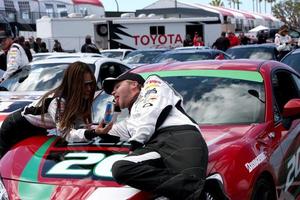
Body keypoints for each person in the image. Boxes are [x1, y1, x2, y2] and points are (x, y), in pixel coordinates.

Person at [101, 73, 208, 199]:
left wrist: (135, 145)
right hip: (154, 146)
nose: (113, 92)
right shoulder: (132, 121)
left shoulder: (153, 83)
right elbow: (107, 131)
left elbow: (151, 113)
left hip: (180, 136)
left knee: (192, 194)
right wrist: (92, 131)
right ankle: (202, 190)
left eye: (117, 86)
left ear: (134, 84)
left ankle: (207, 191)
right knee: (121, 168)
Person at [0, 61, 112, 157]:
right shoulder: (58, 102)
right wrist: (93, 132)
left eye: (91, 84)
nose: (89, 88)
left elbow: (79, 127)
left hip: (36, 128)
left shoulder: (77, 99)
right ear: (74, 85)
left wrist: (98, 128)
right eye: (85, 85)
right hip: (16, 127)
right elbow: (67, 134)